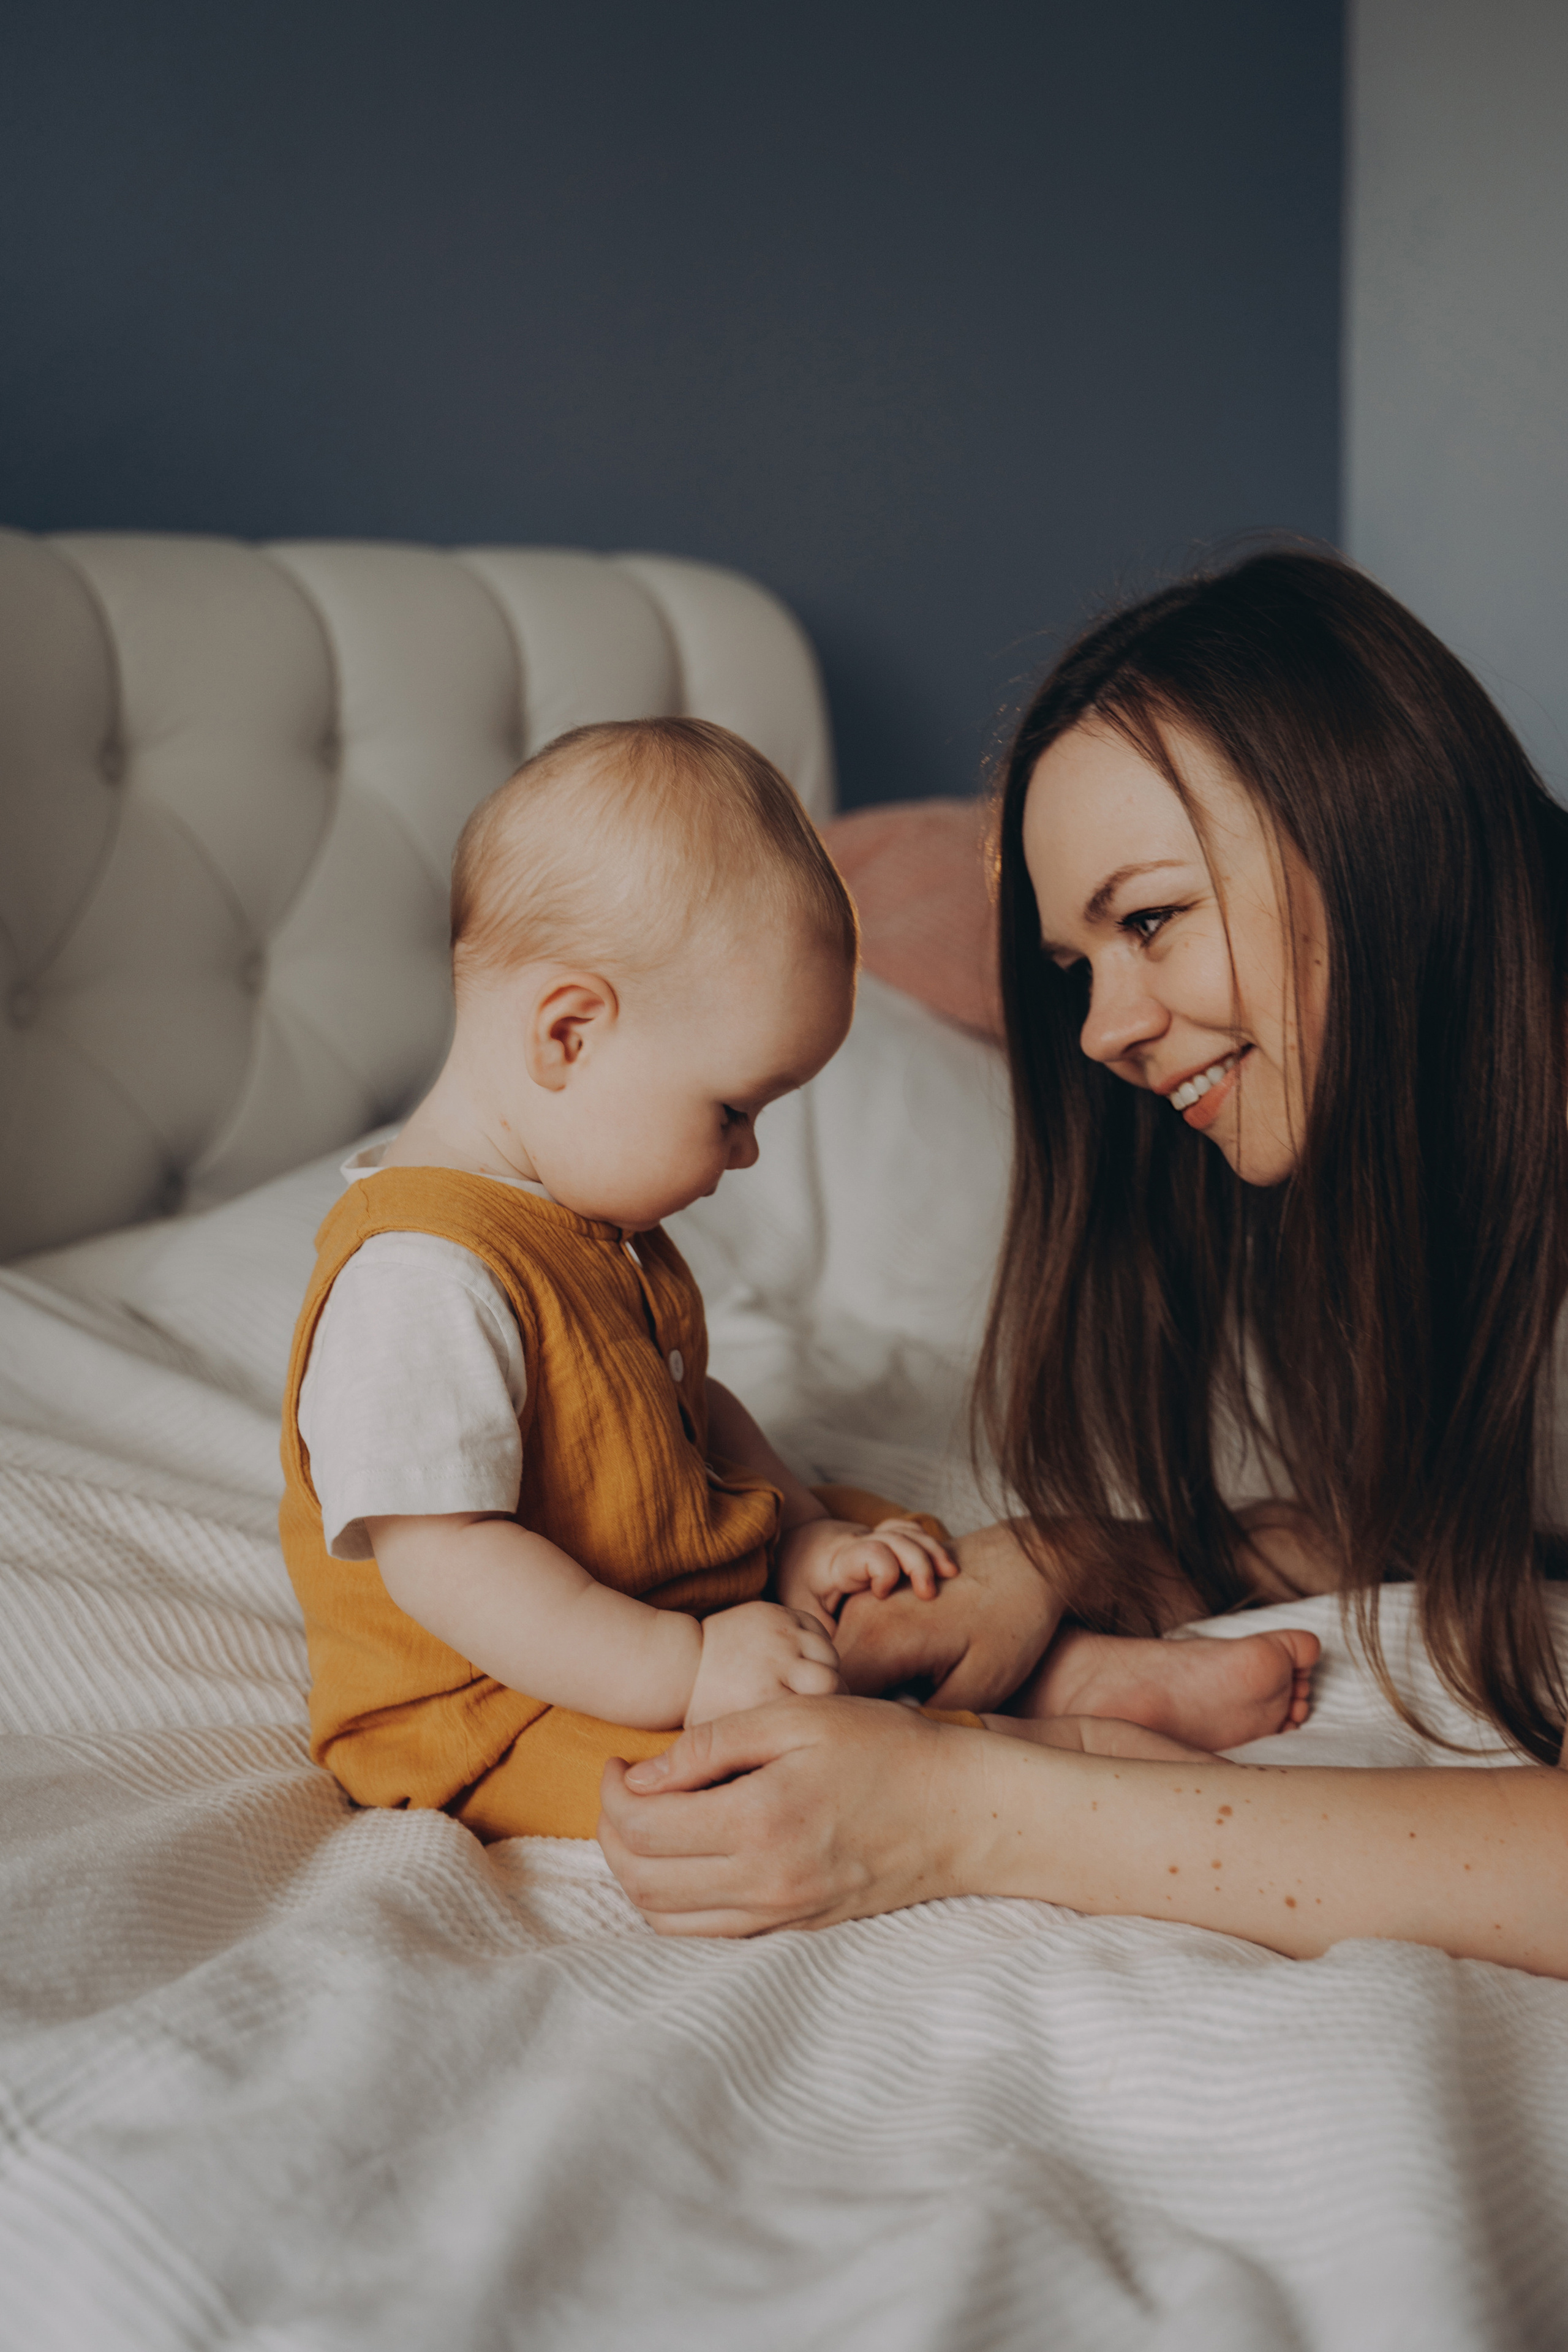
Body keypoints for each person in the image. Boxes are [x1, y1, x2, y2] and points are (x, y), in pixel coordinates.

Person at [597, 554, 1568, 1980]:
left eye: (1150, 919)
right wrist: (1084, 1555)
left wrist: (965, 1812)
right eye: (1076, 969)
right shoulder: (1448, 1180)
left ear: (1371, 822)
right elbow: (1499, 1505)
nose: (1105, 1031)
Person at [279, 717, 1318, 1841]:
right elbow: (452, 1564)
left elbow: (688, 1415)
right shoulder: (419, 1277)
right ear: (569, 1034)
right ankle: (1062, 1733)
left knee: (899, 1565)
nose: (748, 1154)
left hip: (655, 1597)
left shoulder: (585, 1226)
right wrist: (685, 1668)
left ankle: (1038, 1659)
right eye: (733, 1110)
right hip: (499, 1708)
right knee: (771, 1770)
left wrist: (810, 1533)